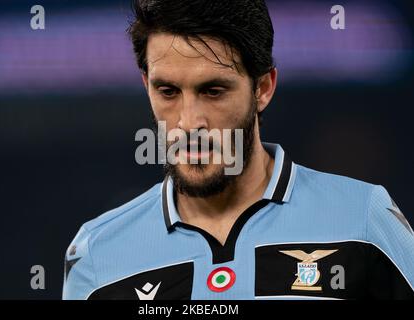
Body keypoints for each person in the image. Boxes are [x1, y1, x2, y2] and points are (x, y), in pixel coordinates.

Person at [63, 0, 414, 300]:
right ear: (147, 86)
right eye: (168, 91)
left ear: (263, 88)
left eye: (213, 91)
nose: (189, 123)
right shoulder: (98, 253)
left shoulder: (362, 219)